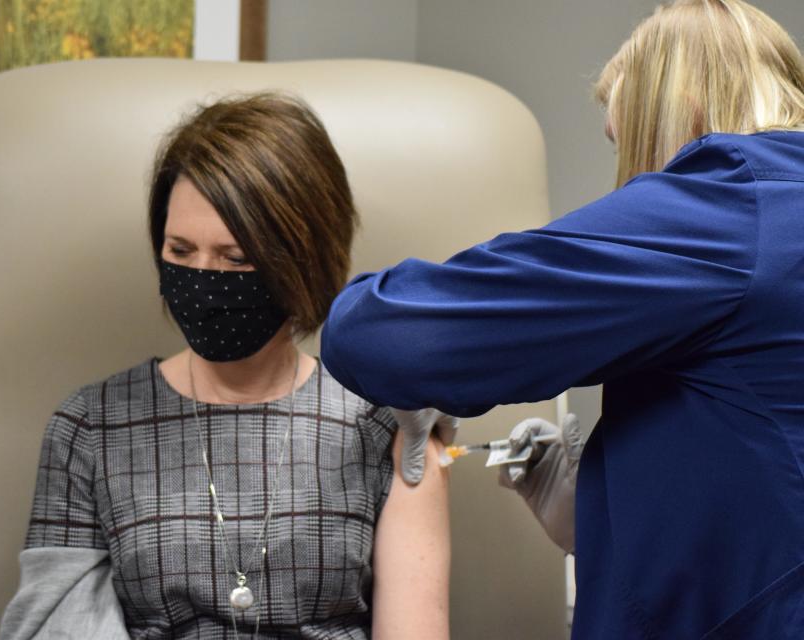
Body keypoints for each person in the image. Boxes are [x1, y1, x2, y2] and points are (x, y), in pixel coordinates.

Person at [320, 1, 804, 638]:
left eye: (623, 136)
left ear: (677, 108)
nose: (624, 170)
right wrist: (599, 514)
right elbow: (760, 474)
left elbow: (383, 336)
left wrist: (407, 357)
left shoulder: (730, 208)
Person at [0, 93, 450, 639]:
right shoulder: (90, 429)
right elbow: (54, 629)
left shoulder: (387, 425)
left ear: (303, 259)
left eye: (236, 258)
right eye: (181, 251)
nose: (205, 279)